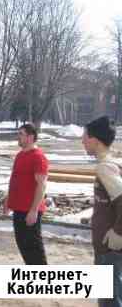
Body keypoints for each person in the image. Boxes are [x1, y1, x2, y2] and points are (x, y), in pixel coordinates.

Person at [82, 116, 122, 307]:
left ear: (95, 140)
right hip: (108, 251)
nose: (82, 141)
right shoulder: (111, 164)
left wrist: (118, 232)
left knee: (110, 303)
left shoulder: (105, 168)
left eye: (85, 137)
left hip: (110, 251)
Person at [3, 123, 48, 265]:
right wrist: (8, 200)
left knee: (34, 248)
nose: (18, 137)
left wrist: (34, 210)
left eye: (21, 134)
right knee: (23, 246)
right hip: (19, 209)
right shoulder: (20, 155)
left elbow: (42, 185)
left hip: (30, 211)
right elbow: (15, 180)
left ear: (30, 137)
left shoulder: (38, 157)